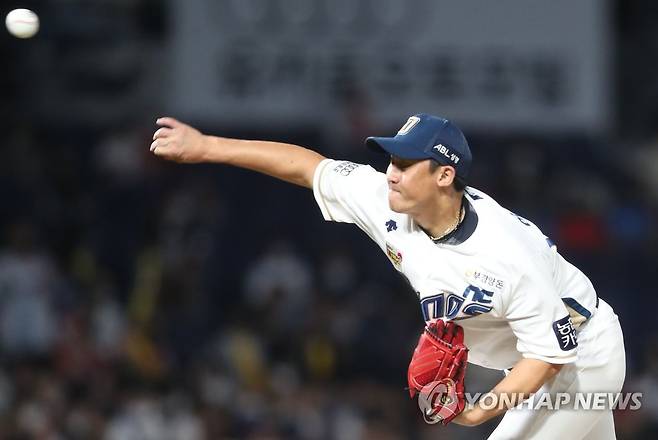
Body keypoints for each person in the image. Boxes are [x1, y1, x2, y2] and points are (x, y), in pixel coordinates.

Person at [150, 113, 626, 439]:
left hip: (580, 356)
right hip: (537, 357)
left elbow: (550, 354)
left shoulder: (505, 253)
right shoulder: (385, 202)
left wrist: (477, 411)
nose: (390, 173)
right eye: (390, 160)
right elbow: (307, 167)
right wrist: (209, 146)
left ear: (444, 176)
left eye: (404, 163)